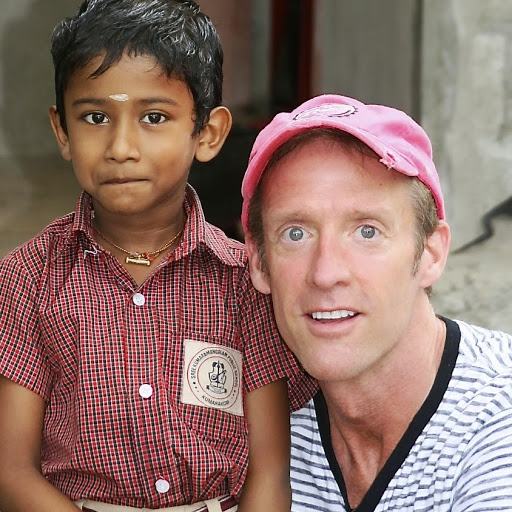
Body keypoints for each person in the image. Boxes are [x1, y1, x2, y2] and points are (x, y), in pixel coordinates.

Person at [0, 1, 316, 511]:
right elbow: (11, 471)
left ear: (207, 133)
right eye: (95, 117)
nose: (121, 146)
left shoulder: (245, 285)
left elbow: (269, 475)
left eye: (153, 117)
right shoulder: (28, 279)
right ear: (62, 131)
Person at [241, 93, 512, 511]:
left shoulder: (498, 412)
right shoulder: (261, 430)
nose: (326, 272)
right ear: (259, 263)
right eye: (296, 234)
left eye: (367, 231)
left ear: (431, 254)